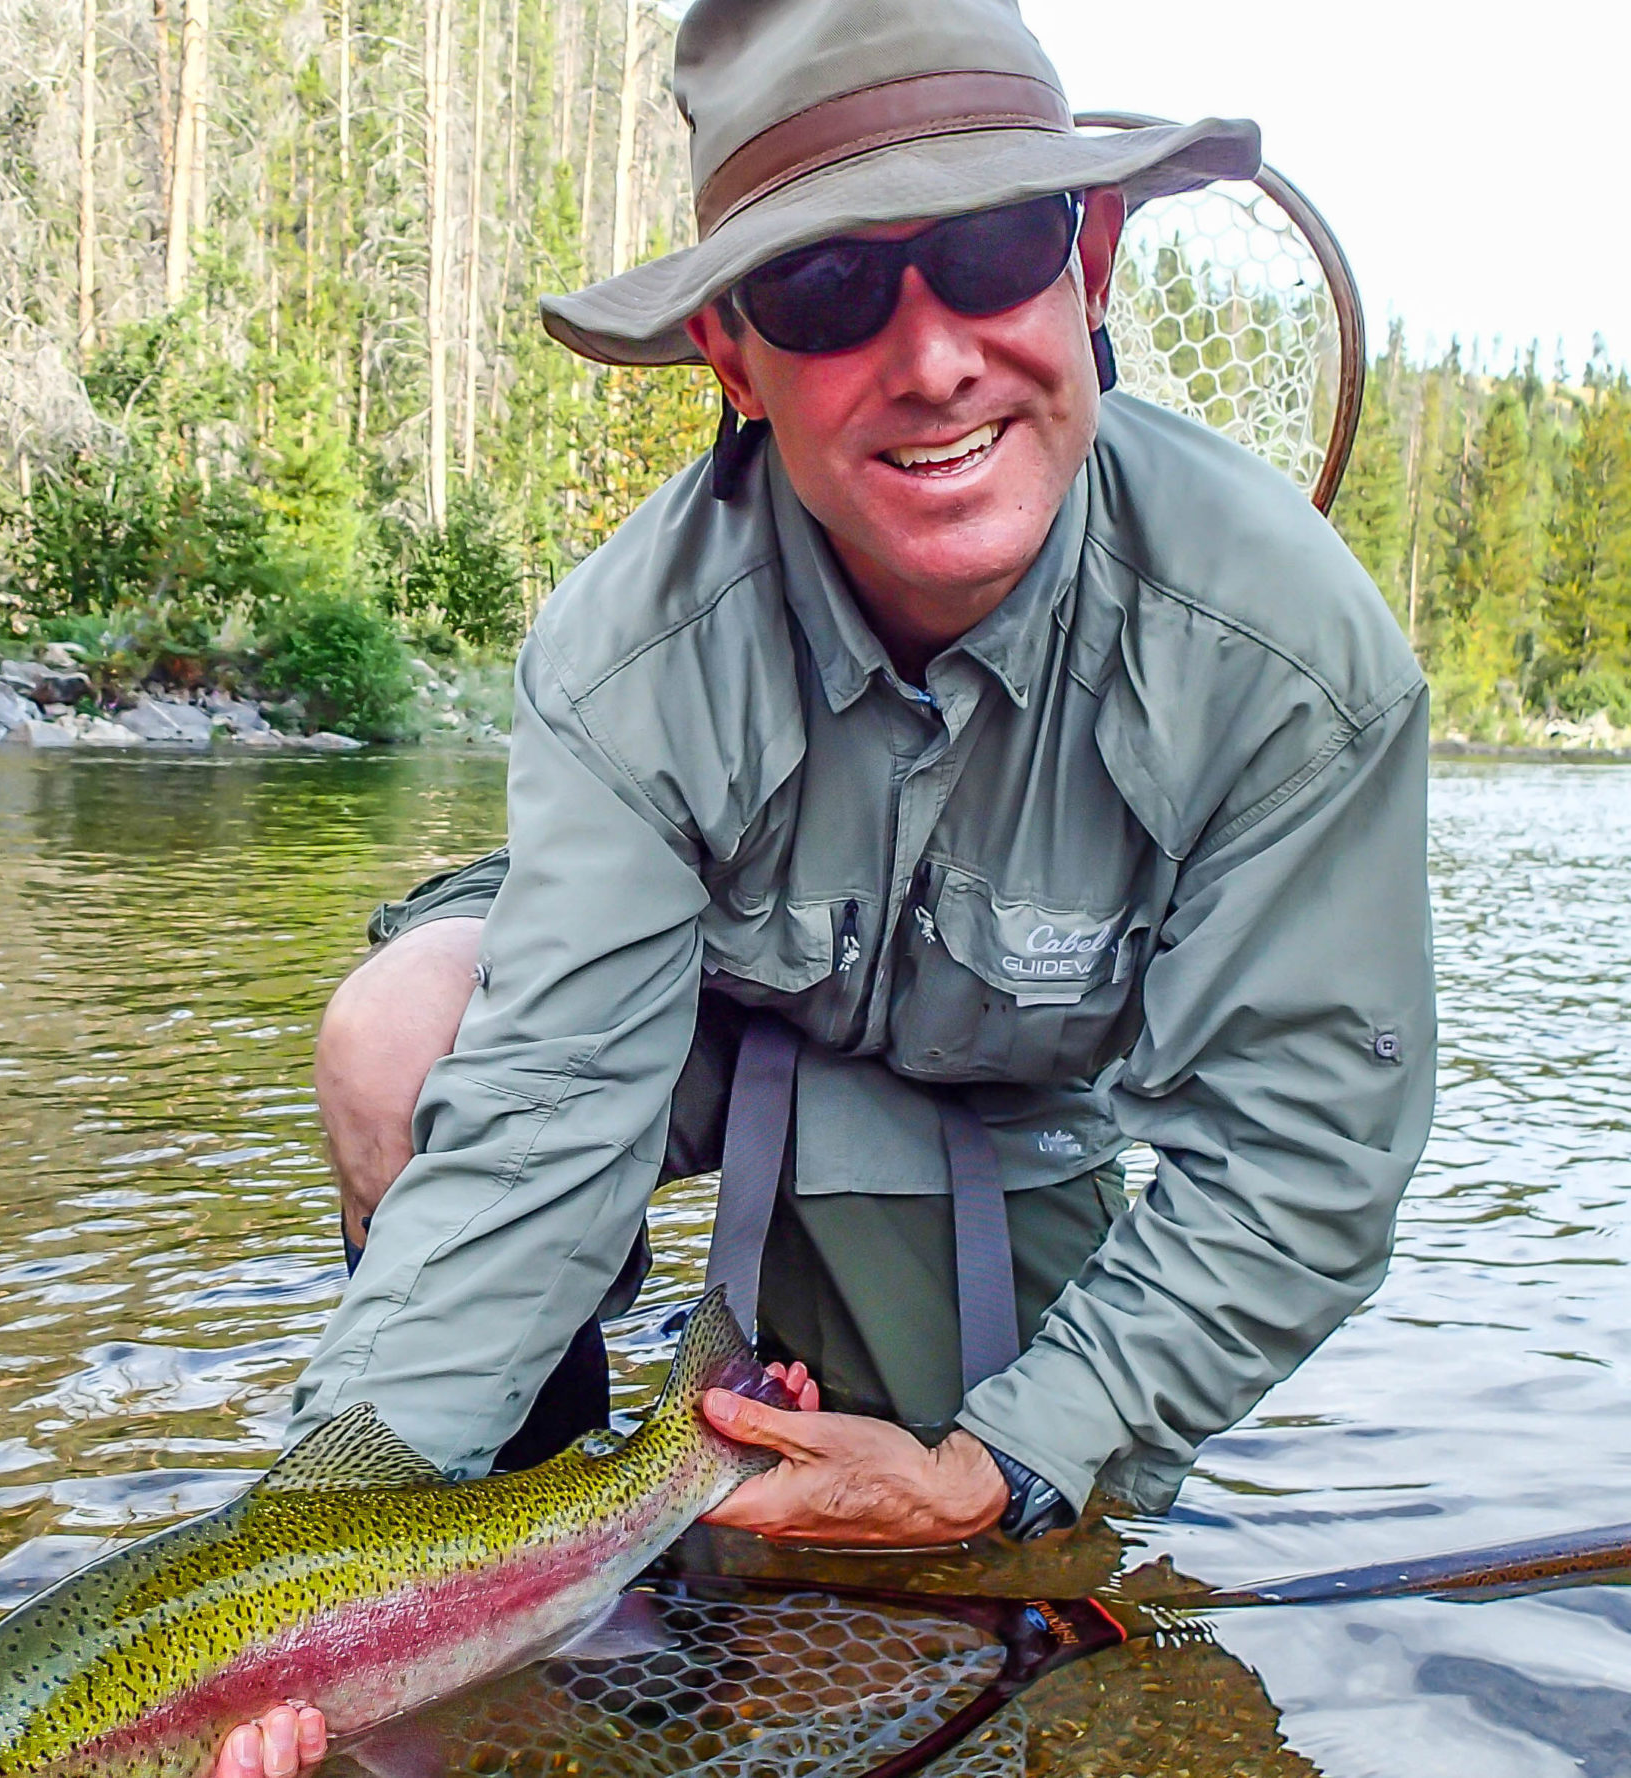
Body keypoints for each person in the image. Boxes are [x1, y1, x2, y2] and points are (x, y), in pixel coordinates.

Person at [211, 0, 1436, 1769]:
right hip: (692, 1021)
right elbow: (547, 1114)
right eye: (830, 292)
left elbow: (1302, 1164)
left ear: (1085, 256)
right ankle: (526, 1586)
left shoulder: (1288, 655)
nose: (931, 359)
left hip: (1014, 1107)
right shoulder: (628, 655)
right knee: (405, 1031)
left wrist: (1002, 1456)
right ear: (729, 350)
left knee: (895, 1593)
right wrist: (310, 1574)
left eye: (992, 251)